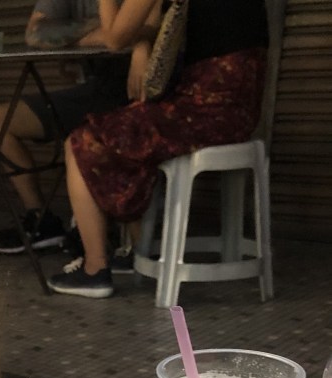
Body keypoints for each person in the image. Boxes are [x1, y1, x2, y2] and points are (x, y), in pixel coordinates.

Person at [48, 0, 269, 299]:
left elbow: (114, 38)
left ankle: (95, 268)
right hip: (238, 110)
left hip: (205, 107)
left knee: (81, 141)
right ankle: (137, 249)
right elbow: (151, 21)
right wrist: (141, 47)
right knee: (135, 122)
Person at [0, 0, 153, 256]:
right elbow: (36, 33)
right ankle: (41, 221)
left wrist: (132, 40)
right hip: (94, 90)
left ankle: (118, 245)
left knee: (89, 139)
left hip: (139, 93)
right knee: (0, 120)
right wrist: (106, 33)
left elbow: (156, 29)